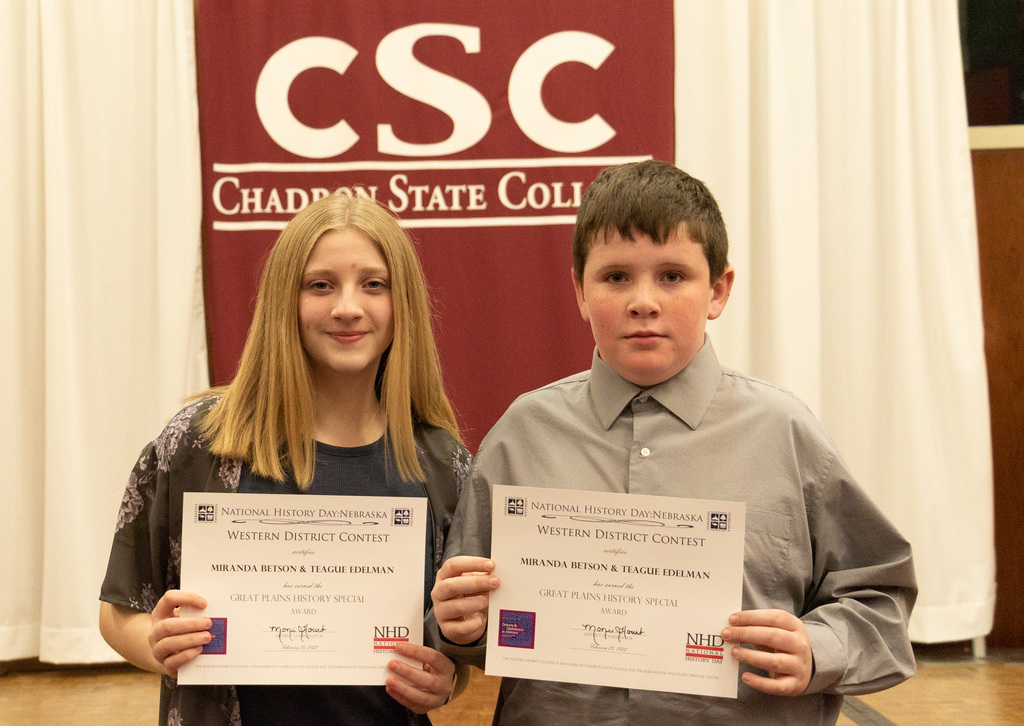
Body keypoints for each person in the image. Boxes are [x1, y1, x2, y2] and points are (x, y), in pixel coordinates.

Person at [431, 160, 917, 725]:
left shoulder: (785, 433)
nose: (644, 301)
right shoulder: (523, 433)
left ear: (719, 290)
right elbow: (470, 624)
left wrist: (819, 649)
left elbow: (881, 602)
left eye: (672, 276)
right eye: (615, 277)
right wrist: (459, 627)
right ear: (580, 292)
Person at [98, 193, 472, 726]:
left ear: (402, 302)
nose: (348, 306)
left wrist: (448, 681)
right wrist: (154, 643)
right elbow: (118, 613)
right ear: (284, 300)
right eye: (320, 285)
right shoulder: (197, 445)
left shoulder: (443, 466)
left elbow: (456, 647)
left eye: (374, 283)